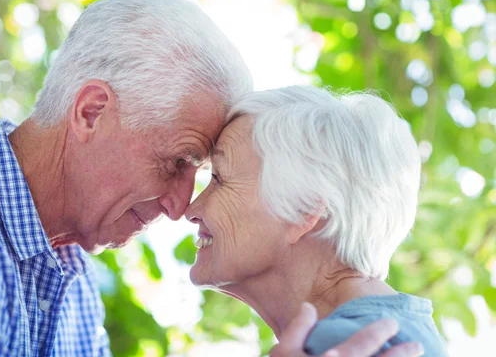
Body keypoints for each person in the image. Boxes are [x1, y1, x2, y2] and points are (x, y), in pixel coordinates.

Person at [0, 0, 420, 356]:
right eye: (178, 162)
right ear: (91, 112)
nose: (180, 207)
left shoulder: (64, 267)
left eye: (207, 175)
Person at [186, 85, 448, 356]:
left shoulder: (339, 342)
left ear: (303, 209)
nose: (191, 209)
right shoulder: (410, 330)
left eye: (219, 178)